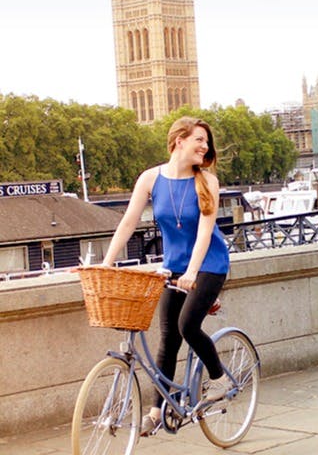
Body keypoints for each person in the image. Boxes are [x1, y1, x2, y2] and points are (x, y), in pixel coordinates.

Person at [102, 116, 231, 436]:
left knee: (187, 325)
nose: (205, 146)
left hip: (209, 265)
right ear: (179, 141)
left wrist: (191, 272)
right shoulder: (150, 178)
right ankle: (157, 410)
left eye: (206, 142)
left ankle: (220, 377)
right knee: (167, 339)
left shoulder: (208, 182)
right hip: (173, 267)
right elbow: (129, 222)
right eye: (199, 140)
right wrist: (107, 262)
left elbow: (204, 233)